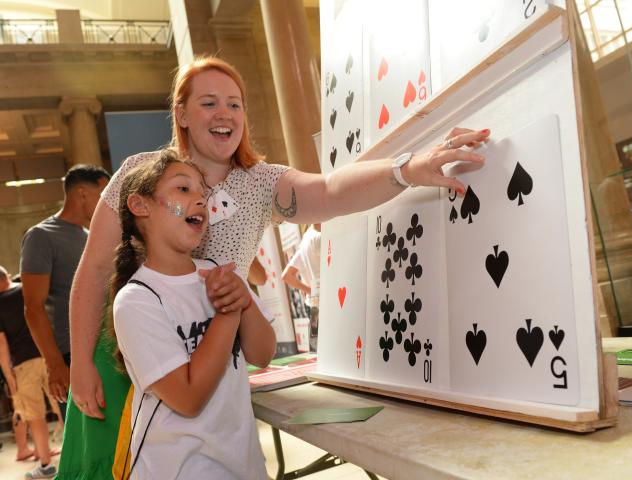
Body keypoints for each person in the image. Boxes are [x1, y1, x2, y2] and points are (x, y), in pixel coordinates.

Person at [61, 55, 490, 479]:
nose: (225, 113)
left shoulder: (262, 182)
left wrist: (409, 167)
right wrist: (80, 364)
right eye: (209, 102)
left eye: (235, 103)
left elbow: (331, 190)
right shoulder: (140, 174)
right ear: (182, 114)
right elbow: (96, 269)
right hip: (132, 361)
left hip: (219, 359)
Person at [111, 150, 274, 478]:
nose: (199, 199)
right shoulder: (136, 301)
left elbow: (263, 353)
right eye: (183, 189)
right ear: (141, 206)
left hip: (243, 465)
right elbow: (188, 398)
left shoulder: (218, 273)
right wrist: (227, 315)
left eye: (203, 192)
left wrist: (242, 300)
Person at [20, 164, 110, 427]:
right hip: (70, 356)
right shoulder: (41, 236)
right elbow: (32, 307)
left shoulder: (90, 237)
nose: (107, 202)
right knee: (82, 440)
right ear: (82, 193)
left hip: (103, 349)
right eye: (103, 194)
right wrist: (55, 364)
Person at [0, 266, 59, 478]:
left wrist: (9, 377)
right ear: (6, 275)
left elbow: (2, 345)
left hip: (23, 365)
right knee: (64, 405)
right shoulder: (28, 289)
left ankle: (46, 465)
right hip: (48, 354)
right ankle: (77, 455)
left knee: (35, 416)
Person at [281, 224, 322, 350]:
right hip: (325, 303)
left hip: (313, 303)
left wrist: (310, 291)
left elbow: (286, 275)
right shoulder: (319, 238)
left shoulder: (306, 238)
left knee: (318, 351)